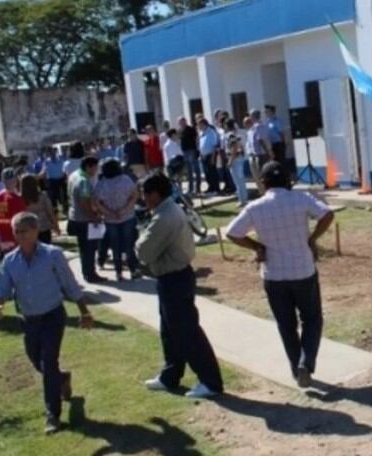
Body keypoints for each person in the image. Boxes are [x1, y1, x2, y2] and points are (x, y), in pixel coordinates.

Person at [226, 162, 334, 387]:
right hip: (303, 270)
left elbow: (232, 233)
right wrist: (312, 239)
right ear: (288, 180)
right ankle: (306, 362)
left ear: (263, 183)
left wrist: (256, 247)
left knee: (286, 325)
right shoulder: (301, 199)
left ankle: (297, 369)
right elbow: (327, 214)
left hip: (274, 274)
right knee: (312, 319)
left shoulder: (255, 207)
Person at [0, 212, 93, 435]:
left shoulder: (52, 255)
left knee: (48, 362)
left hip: (53, 316)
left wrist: (84, 311)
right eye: (16, 232)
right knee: (36, 360)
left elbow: (70, 284)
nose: (19, 236)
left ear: (36, 231)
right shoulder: (10, 260)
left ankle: (52, 415)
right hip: (29, 320)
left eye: (24, 231)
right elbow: (2, 288)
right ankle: (62, 378)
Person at [137, 173, 224, 398]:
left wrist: (138, 238)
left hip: (174, 278)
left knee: (187, 332)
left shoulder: (164, 217)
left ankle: (211, 382)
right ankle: (170, 376)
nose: (143, 199)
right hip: (174, 276)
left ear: (155, 194)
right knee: (170, 331)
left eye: (145, 194)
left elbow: (144, 252)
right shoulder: (170, 209)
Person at [95, 159, 140, 281]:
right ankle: (133, 269)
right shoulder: (125, 179)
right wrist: (124, 210)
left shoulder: (101, 184)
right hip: (127, 217)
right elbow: (134, 195)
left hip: (110, 220)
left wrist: (109, 213)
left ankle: (118, 272)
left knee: (115, 246)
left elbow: (98, 203)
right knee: (129, 245)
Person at [67, 157, 106, 283]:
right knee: (89, 249)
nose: (97, 170)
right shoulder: (84, 182)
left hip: (75, 217)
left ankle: (87, 272)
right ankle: (90, 274)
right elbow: (84, 203)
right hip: (84, 220)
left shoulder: (74, 175)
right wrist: (93, 217)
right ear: (89, 167)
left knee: (84, 248)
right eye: (95, 167)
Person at [0, 168, 28, 255]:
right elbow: (23, 220)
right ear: (16, 180)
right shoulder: (17, 199)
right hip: (16, 238)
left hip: (2, 236)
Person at [20, 174, 59, 244]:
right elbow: (50, 211)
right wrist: (56, 225)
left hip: (28, 228)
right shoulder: (43, 195)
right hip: (44, 227)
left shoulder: (19, 199)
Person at [223, 119, 248, 206]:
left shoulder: (230, 135)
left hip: (235, 159)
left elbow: (234, 147)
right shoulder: (235, 134)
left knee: (238, 180)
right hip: (238, 158)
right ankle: (242, 198)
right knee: (239, 180)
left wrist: (230, 160)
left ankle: (243, 200)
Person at [198, 118, 221, 195]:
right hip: (203, 156)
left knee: (212, 172)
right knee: (207, 173)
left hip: (211, 155)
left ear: (204, 124)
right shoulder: (201, 133)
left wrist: (213, 157)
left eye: (200, 124)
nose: (199, 126)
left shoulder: (211, 132)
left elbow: (214, 146)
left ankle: (216, 189)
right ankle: (210, 187)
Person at [178, 117, 200, 195]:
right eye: (180, 122)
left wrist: (197, 150)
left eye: (182, 121)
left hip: (191, 150)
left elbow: (196, 139)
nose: (181, 123)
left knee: (195, 170)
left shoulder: (191, 129)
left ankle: (197, 188)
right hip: (184, 152)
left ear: (185, 121)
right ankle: (191, 188)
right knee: (189, 172)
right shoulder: (180, 131)